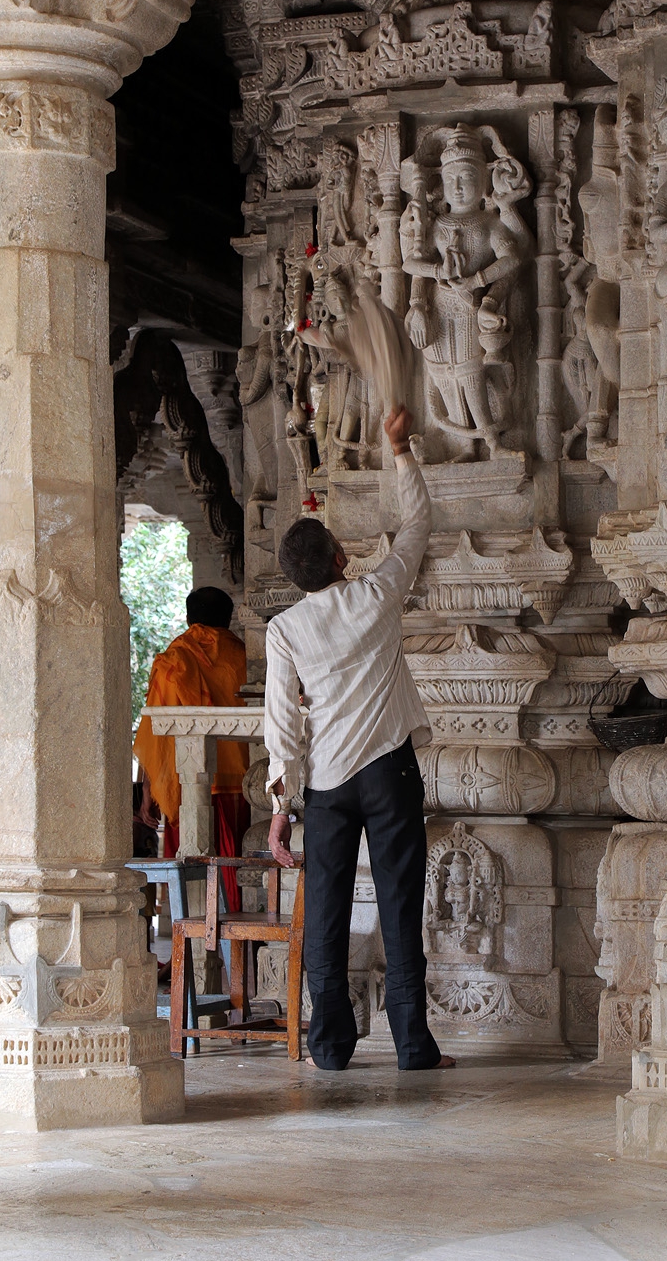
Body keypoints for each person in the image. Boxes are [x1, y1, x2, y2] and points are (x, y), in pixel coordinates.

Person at [266, 406, 455, 1072]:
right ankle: (411, 1045)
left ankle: (329, 1046)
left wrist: (280, 810)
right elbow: (419, 526)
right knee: (402, 904)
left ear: (298, 578)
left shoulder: (285, 630)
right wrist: (399, 450)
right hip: (387, 772)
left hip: (326, 783)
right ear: (342, 558)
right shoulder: (377, 595)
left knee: (325, 912)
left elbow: (284, 725)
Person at [133, 586, 249, 909]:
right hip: (238, 786)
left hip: (186, 787)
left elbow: (155, 729)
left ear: (188, 618)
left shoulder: (175, 659)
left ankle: (191, 956)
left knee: (190, 875)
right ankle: (236, 952)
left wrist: (149, 791)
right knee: (234, 872)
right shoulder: (242, 656)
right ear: (229, 619)